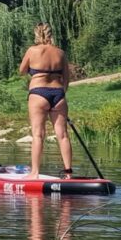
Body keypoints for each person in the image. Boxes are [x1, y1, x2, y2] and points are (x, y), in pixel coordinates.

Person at [18, 22, 72, 179]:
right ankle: (68, 173)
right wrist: (62, 93)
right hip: (58, 94)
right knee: (62, 135)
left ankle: (34, 173)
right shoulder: (60, 53)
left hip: (38, 93)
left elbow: (22, 71)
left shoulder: (32, 50)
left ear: (36, 34)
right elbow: (67, 79)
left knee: (38, 134)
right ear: (51, 34)